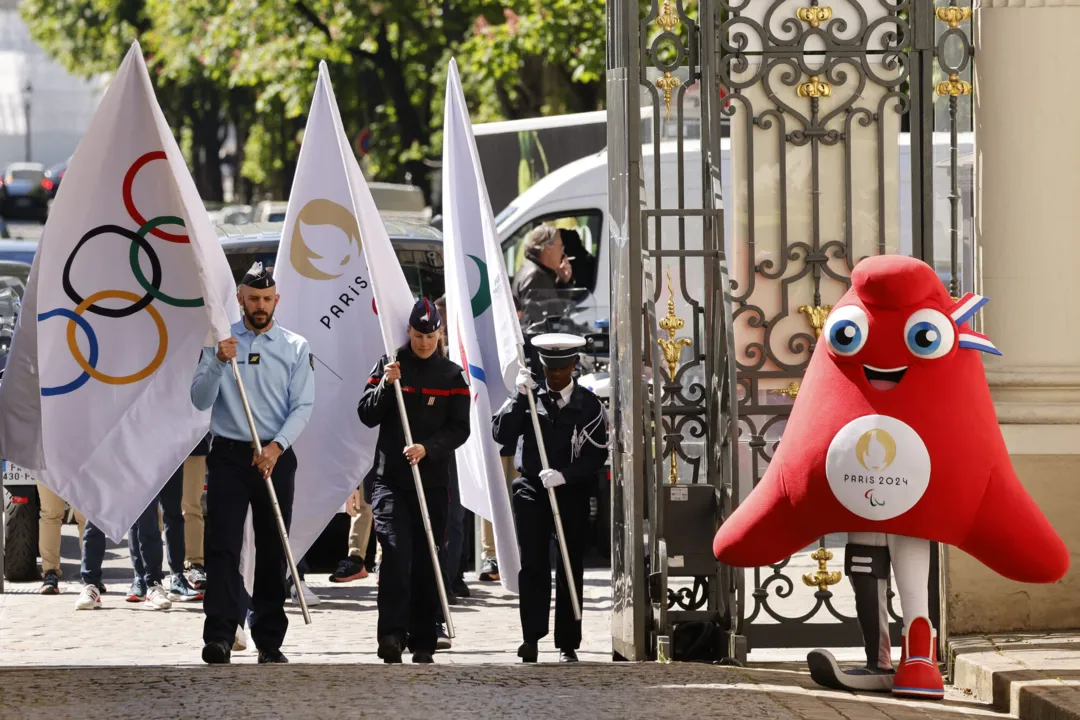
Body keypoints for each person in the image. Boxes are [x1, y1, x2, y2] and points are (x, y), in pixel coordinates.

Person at [190, 261, 315, 665]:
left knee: (272, 547)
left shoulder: (296, 346)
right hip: (229, 453)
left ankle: (268, 638)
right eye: (252, 298)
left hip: (274, 457)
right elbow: (199, 398)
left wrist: (277, 447)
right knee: (223, 546)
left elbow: (303, 405)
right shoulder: (221, 341)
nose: (259, 305)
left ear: (276, 300)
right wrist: (218, 362)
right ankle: (221, 635)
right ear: (240, 299)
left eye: (266, 298)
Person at [357, 297, 471, 664]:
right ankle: (390, 634)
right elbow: (366, 414)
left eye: (430, 336)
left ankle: (423, 638)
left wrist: (429, 448)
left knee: (427, 559)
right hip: (390, 480)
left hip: (433, 482)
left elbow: (460, 428)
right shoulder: (390, 365)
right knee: (394, 554)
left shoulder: (452, 376)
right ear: (408, 332)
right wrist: (386, 386)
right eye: (418, 336)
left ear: (439, 334)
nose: (424, 343)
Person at [493, 333, 608, 664]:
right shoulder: (530, 396)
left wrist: (566, 475)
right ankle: (531, 637)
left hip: (569, 491)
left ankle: (568, 642)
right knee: (533, 565)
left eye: (561, 369)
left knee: (570, 564)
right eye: (549, 369)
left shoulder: (588, 404)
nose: (554, 376)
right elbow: (501, 434)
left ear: (573, 365)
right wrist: (517, 397)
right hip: (531, 488)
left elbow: (596, 455)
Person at [124, 464, 202, 608]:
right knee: (142, 514)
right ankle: (143, 579)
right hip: (141, 456)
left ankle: (177, 577)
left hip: (170, 453)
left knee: (174, 514)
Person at [511, 225, 575, 331]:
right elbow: (537, 326)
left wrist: (563, 282)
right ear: (548, 249)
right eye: (560, 247)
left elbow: (556, 310)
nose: (563, 253)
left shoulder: (536, 271)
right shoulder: (535, 276)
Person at [37, 482, 85, 595]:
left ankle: (91, 575)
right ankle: (50, 572)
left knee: (86, 516)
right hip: (49, 466)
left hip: (79, 466)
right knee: (50, 515)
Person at [182, 436, 211, 591]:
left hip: (193, 444)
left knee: (192, 507)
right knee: (154, 512)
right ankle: (151, 574)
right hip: (156, 444)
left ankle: (195, 564)